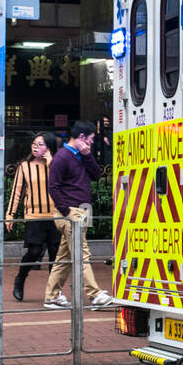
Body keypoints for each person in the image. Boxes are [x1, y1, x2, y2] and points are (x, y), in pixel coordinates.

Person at [44, 120, 109, 310]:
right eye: (90, 139)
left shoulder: (82, 155)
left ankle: (51, 296)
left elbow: (96, 175)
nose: (91, 143)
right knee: (82, 253)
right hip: (72, 212)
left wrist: (88, 155)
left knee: (64, 258)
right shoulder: (62, 157)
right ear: (81, 137)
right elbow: (53, 187)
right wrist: (66, 212)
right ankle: (95, 295)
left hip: (80, 209)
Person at [4, 133, 60, 302]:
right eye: (34, 144)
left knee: (54, 255)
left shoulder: (57, 165)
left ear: (49, 147)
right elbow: (17, 192)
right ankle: (20, 278)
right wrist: (10, 214)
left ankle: (53, 293)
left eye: (41, 144)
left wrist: (51, 162)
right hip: (34, 215)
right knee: (34, 251)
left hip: (56, 215)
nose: (36, 147)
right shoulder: (24, 166)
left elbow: (63, 184)